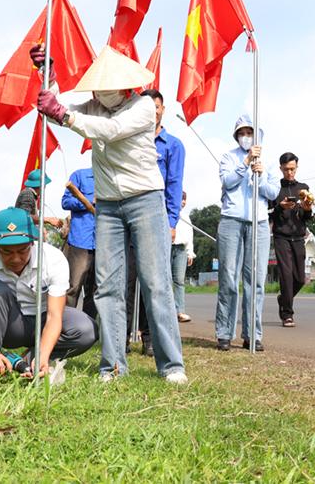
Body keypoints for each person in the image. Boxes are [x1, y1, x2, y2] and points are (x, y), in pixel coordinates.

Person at [33, 44, 187, 384]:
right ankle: (113, 365)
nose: (99, 93)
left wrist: (64, 114)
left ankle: (172, 365)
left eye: (105, 86)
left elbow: (107, 130)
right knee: (107, 287)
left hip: (145, 200)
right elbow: (56, 105)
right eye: (96, 88)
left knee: (156, 283)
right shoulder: (92, 106)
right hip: (108, 205)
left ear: (123, 85)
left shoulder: (144, 106)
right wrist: (48, 74)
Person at [0, 207, 97, 385]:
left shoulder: (53, 259)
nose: (15, 258)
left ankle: (27, 363)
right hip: (10, 326)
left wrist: (43, 355)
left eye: (22, 250)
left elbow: (54, 316)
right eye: (7, 252)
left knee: (86, 329)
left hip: (43, 320)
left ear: (32, 243)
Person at [125, 88, 186, 355]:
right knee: (126, 280)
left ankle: (150, 338)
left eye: (157, 106)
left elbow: (174, 185)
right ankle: (122, 338)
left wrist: (171, 222)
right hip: (127, 216)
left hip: (157, 220)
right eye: (147, 106)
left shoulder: (173, 145)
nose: (153, 111)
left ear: (163, 110)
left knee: (154, 281)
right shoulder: (130, 139)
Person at [215, 115, 280, 352]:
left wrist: (260, 175)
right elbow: (228, 181)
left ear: (257, 134)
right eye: (241, 132)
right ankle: (224, 332)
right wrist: (244, 164)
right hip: (231, 219)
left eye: (249, 132)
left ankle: (252, 333)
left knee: (255, 281)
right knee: (228, 279)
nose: (245, 136)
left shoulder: (269, 161)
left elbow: (273, 192)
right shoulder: (229, 157)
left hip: (259, 222)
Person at [269, 152, 313, 327]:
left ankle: (283, 299)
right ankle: (287, 314)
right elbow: (268, 214)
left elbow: (305, 217)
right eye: (286, 169)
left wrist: (307, 208)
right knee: (286, 276)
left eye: (292, 169)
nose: (289, 173)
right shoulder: (274, 189)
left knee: (300, 279)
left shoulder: (303, 187)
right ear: (281, 168)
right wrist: (280, 207)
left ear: (297, 167)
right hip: (281, 237)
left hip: (298, 236)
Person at [62, 165, 97, 319]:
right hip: (80, 241)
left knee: (96, 291)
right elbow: (66, 202)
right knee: (73, 287)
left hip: (104, 243)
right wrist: (89, 201)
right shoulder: (79, 175)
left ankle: (89, 330)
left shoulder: (112, 178)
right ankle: (66, 328)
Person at [172, 191, 195, 322]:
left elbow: (190, 236)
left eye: (184, 199)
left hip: (181, 250)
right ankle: (167, 311)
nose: (183, 201)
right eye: (181, 199)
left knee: (179, 281)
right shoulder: (168, 213)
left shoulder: (186, 217)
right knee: (165, 281)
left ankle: (180, 311)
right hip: (168, 247)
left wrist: (190, 252)